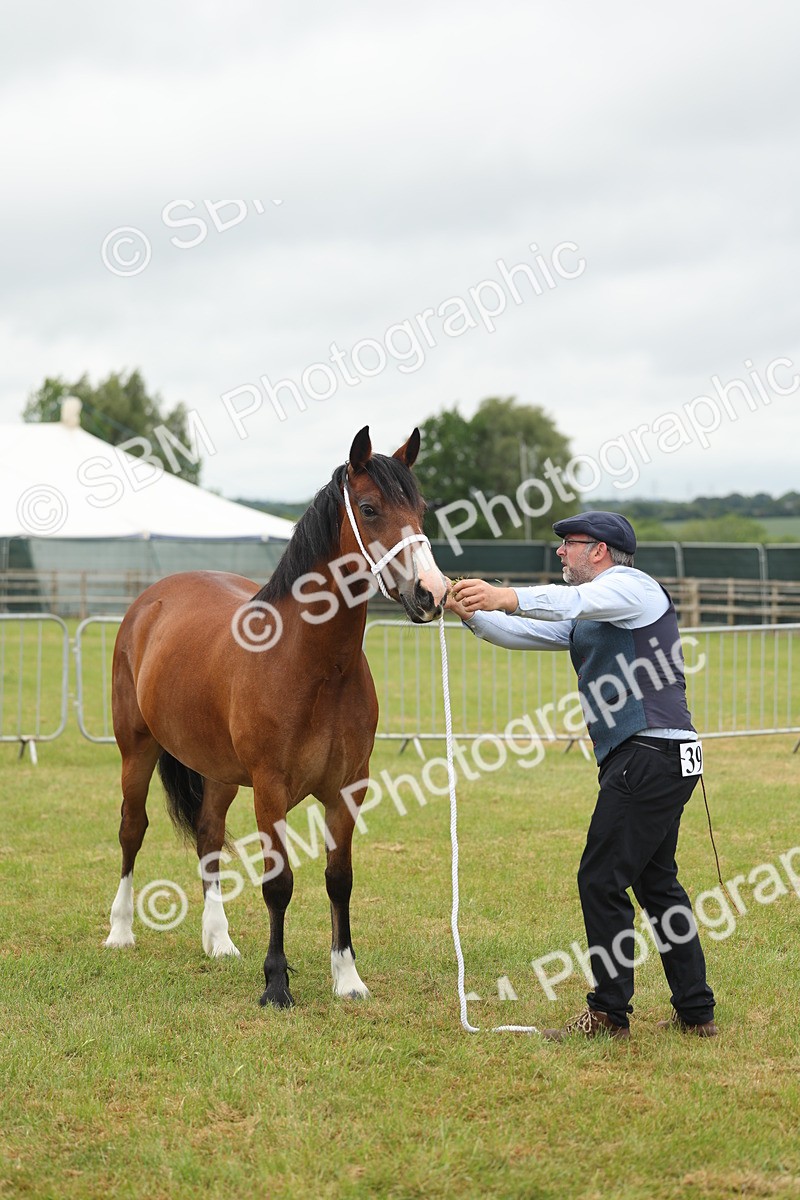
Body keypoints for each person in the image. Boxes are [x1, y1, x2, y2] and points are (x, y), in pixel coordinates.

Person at [445, 510, 717, 1041]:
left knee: (601, 879)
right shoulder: (596, 610)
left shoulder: (630, 587)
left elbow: (560, 601)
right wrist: (473, 612)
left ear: (599, 550)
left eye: (568, 544)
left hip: (647, 754)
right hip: (656, 756)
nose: (560, 553)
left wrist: (502, 593)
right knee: (657, 885)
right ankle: (696, 1011)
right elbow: (523, 631)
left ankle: (610, 1013)